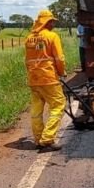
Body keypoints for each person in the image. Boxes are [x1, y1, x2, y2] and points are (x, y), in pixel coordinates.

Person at [25, 10, 67, 152]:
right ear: (47, 22)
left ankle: (38, 139)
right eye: (52, 21)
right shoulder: (51, 36)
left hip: (33, 79)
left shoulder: (29, 38)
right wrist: (61, 72)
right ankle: (48, 139)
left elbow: (28, 60)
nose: (54, 23)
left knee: (36, 110)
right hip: (49, 78)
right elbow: (59, 58)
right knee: (58, 105)